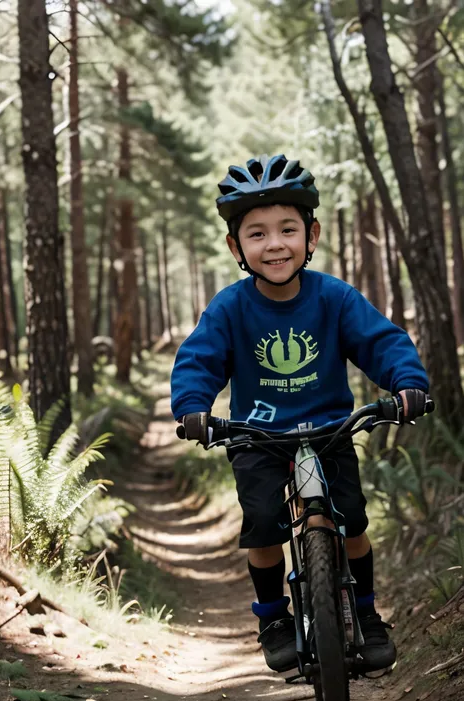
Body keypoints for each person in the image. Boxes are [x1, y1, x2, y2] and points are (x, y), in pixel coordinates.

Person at [170, 154, 431, 674]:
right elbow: (199, 360)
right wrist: (194, 408)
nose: (275, 244)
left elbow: (381, 342)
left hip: (330, 429)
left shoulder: (334, 298)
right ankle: (272, 617)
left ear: (311, 236)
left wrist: (408, 384)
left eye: (288, 230)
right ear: (236, 246)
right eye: (258, 234)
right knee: (264, 525)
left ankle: (366, 611)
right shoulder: (230, 308)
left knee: (352, 519)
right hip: (257, 434)